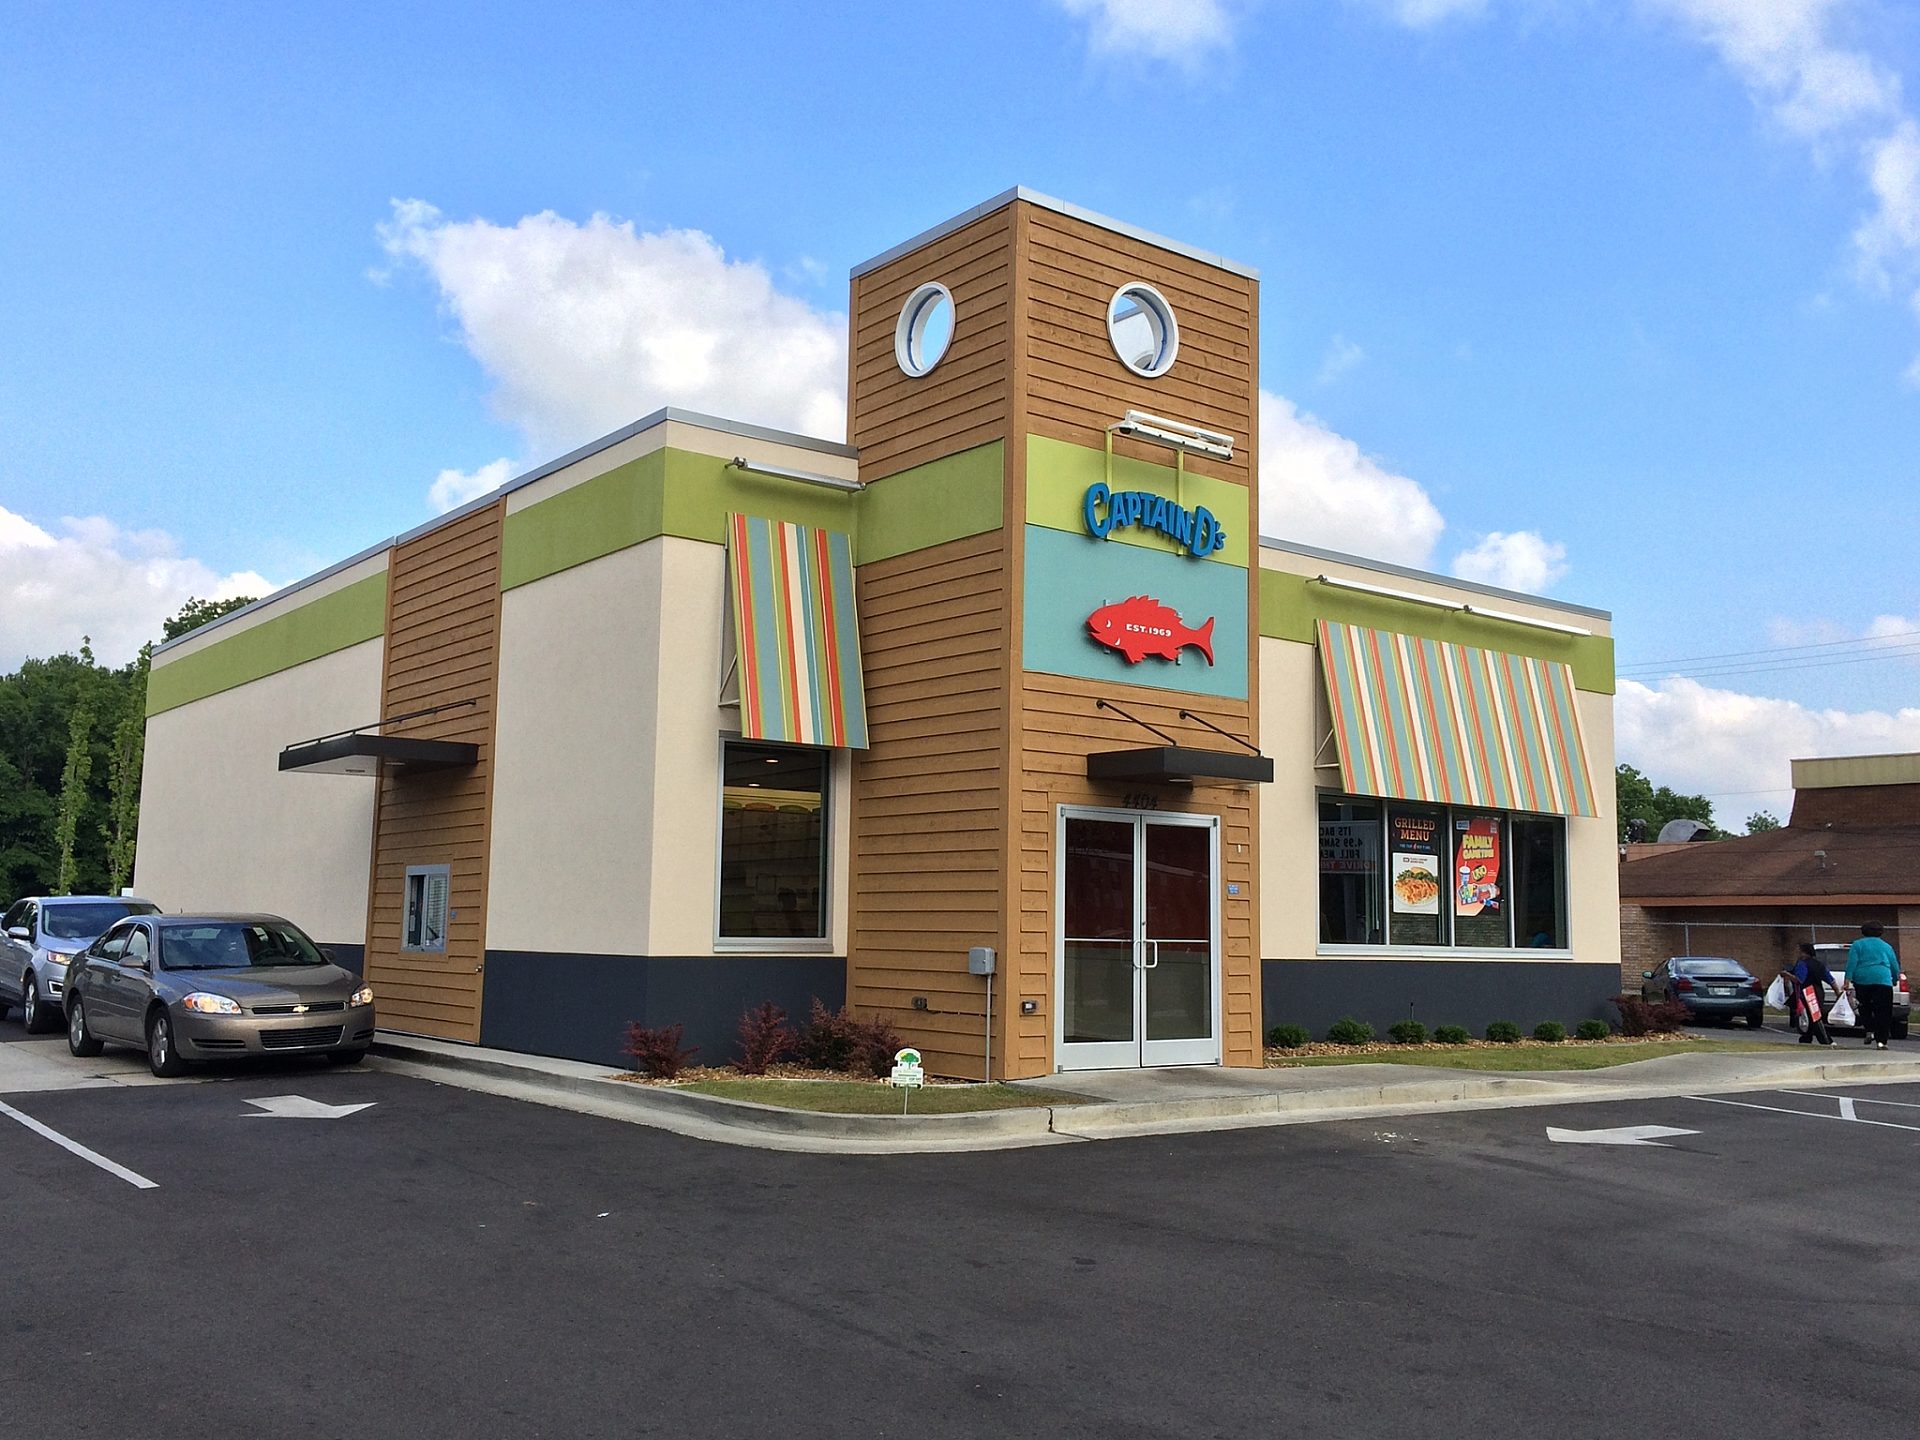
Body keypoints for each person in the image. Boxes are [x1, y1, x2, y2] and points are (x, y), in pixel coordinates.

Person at [1844, 921, 1903, 1050]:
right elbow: (1894, 964)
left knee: (1864, 1007)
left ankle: (1869, 1030)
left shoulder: (1857, 945)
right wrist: (1894, 979)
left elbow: (1852, 963)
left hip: (1862, 980)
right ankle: (1882, 1041)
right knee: (1884, 1011)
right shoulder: (1886, 946)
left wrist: (1847, 980)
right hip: (1883, 979)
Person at [1787, 942, 1835, 1045]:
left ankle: (1826, 1040)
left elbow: (1799, 979)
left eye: (1799, 951)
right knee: (1812, 1016)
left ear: (1804, 952)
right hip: (1818, 992)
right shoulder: (1819, 964)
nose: (1797, 953)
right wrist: (1838, 992)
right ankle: (1806, 1037)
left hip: (1807, 993)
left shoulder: (1802, 964)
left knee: (1813, 1017)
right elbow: (1830, 980)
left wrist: (1787, 975)